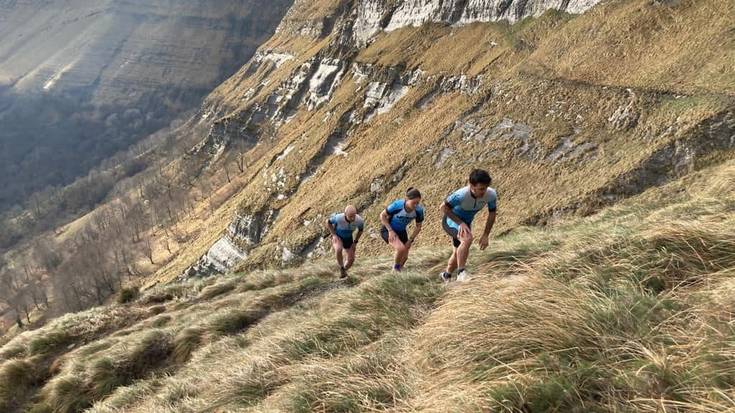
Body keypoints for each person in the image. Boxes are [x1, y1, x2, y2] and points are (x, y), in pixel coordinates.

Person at [439, 169, 497, 282]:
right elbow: (443, 208)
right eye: (480, 189)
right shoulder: (461, 195)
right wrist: (460, 223)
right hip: (452, 221)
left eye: (485, 188)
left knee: (457, 253)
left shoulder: (491, 195)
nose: (483, 192)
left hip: (466, 223)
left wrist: (486, 235)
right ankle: (461, 273)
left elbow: (492, 213)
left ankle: (446, 275)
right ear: (471, 185)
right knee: (467, 239)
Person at [379, 187, 424, 272]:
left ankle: (398, 272)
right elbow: (382, 215)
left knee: (405, 257)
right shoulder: (397, 205)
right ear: (407, 199)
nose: (415, 205)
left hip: (402, 231)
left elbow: (418, 226)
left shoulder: (419, 210)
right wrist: (390, 231)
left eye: (417, 203)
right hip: (388, 229)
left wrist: (410, 240)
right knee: (400, 249)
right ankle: (395, 270)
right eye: (413, 202)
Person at [325, 205, 364, 278]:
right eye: (350, 216)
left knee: (351, 259)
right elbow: (328, 222)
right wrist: (334, 235)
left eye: (354, 216)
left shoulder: (359, 220)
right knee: (338, 249)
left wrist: (355, 242)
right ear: (345, 214)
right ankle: (341, 267)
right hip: (338, 236)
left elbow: (360, 231)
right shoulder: (339, 218)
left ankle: (343, 271)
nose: (352, 218)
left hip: (348, 238)